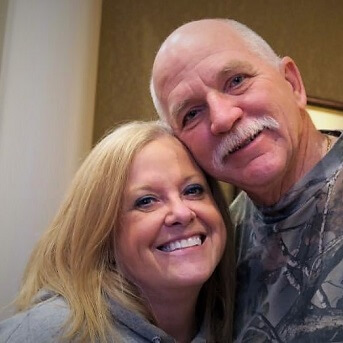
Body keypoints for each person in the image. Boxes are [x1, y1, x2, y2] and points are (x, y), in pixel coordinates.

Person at [150, 18, 343, 342]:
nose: (223, 118)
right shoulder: (214, 241)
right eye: (192, 114)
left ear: (292, 84)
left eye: (237, 80)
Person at [0, 121, 235, 342]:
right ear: (102, 233)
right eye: (146, 201)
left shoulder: (239, 323)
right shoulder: (45, 333)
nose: (182, 213)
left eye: (193, 190)